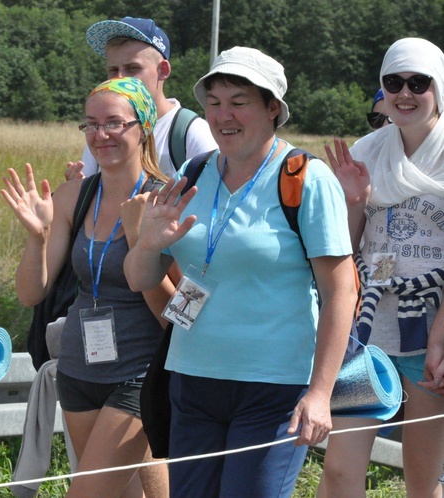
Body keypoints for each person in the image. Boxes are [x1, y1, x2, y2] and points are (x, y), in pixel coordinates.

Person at [124, 46, 358, 498]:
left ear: (273, 108)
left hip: (274, 386)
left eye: (239, 102)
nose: (222, 115)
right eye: (213, 102)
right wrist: (148, 243)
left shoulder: (306, 179)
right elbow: (140, 279)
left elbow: (341, 293)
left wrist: (320, 393)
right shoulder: (192, 173)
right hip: (191, 381)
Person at [3, 76, 174, 498]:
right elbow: (31, 294)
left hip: (140, 375)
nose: (101, 135)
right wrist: (37, 237)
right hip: (77, 370)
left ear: (144, 127)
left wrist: (141, 246)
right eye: (91, 124)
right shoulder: (74, 196)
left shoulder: (167, 201)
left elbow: (182, 313)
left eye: (114, 123)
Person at [318, 37, 444, 498]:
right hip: (367, 331)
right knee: (338, 469)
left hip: (429, 334)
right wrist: (353, 203)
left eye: (418, 82)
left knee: (423, 477)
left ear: (439, 86)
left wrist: (441, 337)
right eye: (393, 82)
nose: (405, 93)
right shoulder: (367, 151)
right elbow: (344, 250)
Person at [65, 17, 217, 181]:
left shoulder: (190, 133)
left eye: (132, 69)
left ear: (163, 70)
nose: (120, 79)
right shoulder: (103, 133)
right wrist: (78, 193)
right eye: (113, 70)